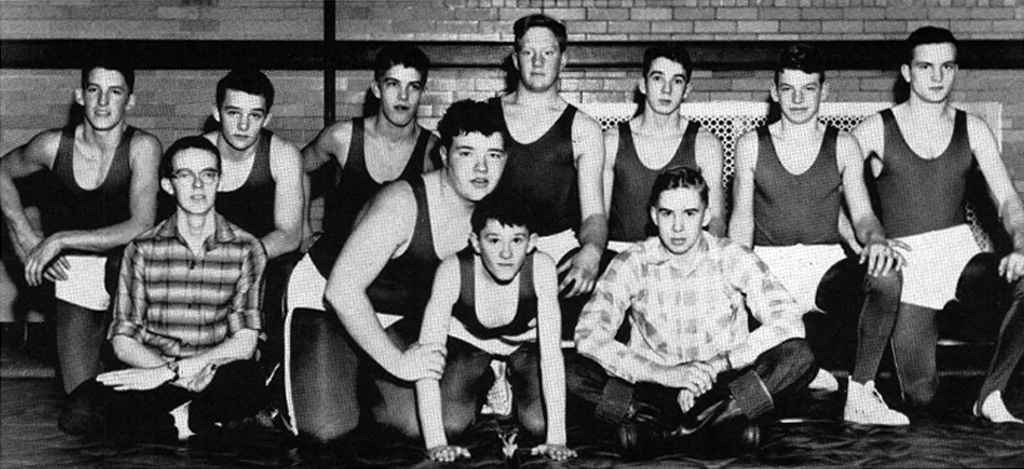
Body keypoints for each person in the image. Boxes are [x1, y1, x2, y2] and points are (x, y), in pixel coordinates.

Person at [284, 99, 507, 443]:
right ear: (444, 155)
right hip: (328, 303)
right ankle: (277, 376)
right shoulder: (401, 204)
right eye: (467, 153)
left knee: (427, 425)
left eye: (493, 155)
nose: (481, 168)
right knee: (326, 430)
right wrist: (400, 364)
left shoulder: (497, 214)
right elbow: (342, 292)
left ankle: (363, 379)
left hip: (400, 315)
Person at [568, 166, 816, 451]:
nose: (677, 227)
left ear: (706, 215)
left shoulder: (732, 256)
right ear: (653, 215)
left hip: (723, 387)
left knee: (799, 356)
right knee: (569, 371)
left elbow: (788, 320)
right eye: (667, 214)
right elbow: (588, 334)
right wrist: (662, 373)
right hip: (653, 389)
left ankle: (673, 431)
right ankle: (722, 426)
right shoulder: (632, 261)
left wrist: (719, 363)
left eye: (689, 213)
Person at [852, 27, 1024, 424]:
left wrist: (1019, 244)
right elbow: (836, 188)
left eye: (946, 66)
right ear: (907, 72)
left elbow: (1009, 200)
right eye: (925, 66)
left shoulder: (973, 127)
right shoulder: (876, 127)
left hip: (960, 256)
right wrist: (863, 240)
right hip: (909, 264)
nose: (936, 77)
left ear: (955, 70)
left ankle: (991, 394)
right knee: (921, 396)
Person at [729, 44, 908, 425]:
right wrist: (730, 281)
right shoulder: (751, 145)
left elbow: (862, 215)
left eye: (808, 89)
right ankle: (798, 373)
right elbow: (741, 224)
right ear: (774, 92)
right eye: (788, 89)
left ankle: (860, 393)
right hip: (768, 267)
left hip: (823, 264)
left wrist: (876, 239)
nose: (797, 99)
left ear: (824, 92)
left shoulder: (844, 144)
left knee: (887, 275)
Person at [58, 136, 268, 442]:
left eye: (208, 175)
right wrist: (171, 376)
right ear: (168, 185)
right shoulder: (141, 249)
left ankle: (177, 423)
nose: (198, 186)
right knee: (79, 411)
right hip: (153, 373)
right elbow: (123, 340)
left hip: (214, 373)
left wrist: (177, 372)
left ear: (219, 182)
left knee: (246, 381)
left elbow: (245, 343)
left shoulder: (248, 249)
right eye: (185, 175)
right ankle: (189, 422)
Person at [0, 59, 162, 394]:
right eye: (94, 90)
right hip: (77, 277)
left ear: (130, 101)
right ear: (79, 96)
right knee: (82, 399)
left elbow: (141, 224)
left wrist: (58, 240)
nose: (103, 102)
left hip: (130, 275)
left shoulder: (142, 147)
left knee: (141, 390)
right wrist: (25, 234)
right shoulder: (52, 145)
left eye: (114, 92)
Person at [415, 197, 575, 462]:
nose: (506, 253)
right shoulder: (452, 271)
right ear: (476, 242)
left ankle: (510, 380)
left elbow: (551, 357)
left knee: (540, 425)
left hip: (522, 346)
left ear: (532, 242)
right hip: (472, 345)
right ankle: (487, 380)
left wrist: (557, 439)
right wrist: (436, 444)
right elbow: (426, 358)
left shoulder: (542, 267)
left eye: (516, 240)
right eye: (494, 240)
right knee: (450, 426)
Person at [488, 13, 607, 302]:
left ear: (563, 60)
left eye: (548, 52)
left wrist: (591, 251)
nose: (538, 62)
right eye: (528, 52)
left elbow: (593, 214)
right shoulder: (485, 116)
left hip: (556, 250)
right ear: (516, 60)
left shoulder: (584, 129)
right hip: (495, 247)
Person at [302, 44, 440, 274]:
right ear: (377, 89)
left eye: (413, 87)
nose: (403, 96)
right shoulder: (342, 137)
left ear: (422, 93)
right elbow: (292, 169)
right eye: (393, 84)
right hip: (335, 268)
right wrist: (304, 231)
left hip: (396, 276)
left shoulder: (431, 150)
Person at [199, 68, 304, 355]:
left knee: (289, 273)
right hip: (207, 259)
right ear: (217, 112)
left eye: (255, 115)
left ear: (267, 118)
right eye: (234, 113)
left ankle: (271, 363)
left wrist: (238, 258)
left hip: (263, 261)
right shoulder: (197, 154)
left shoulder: (282, 155)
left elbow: (289, 235)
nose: (243, 125)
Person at [605, 43, 725, 251]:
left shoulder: (706, 144)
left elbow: (715, 220)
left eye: (677, 81)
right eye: (658, 78)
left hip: (682, 255)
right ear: (643, 85)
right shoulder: (612, 140)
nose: (666, 89)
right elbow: (598, 217)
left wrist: (703, 260)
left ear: (687, 90)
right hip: (620, 254)